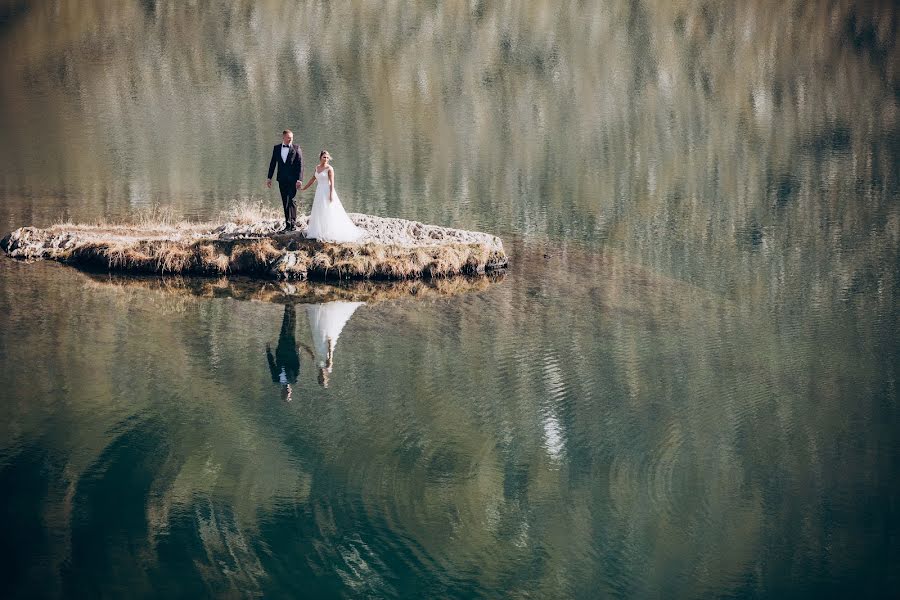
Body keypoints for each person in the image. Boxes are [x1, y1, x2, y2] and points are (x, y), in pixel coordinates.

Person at [299, 150, 364, 242]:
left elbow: (332, 183)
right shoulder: (317, 168)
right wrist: (304, 188)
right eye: (324, 157)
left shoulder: (330, 168)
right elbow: (313, 179)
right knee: (319, 210)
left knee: (328, 210)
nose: (325, 159)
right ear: (320, 157)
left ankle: (329, 231)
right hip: (319, 192)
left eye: (327, 157)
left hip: (327, 191)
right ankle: (319, 230)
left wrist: (331, 195)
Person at [300, 301, 365, 387]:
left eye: (321, 379)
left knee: (318, 328)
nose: (322, 377)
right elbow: (330, 355)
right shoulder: (328, 367)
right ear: (326, 377)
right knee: (324, 328)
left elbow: (312, 355)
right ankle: (324, 309)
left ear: (318, 377)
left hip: (318, 344)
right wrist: (330, 343)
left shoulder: (317, 367)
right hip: (324, 345)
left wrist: (303, 346)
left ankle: (321, 308)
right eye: (323, 379)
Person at [266, 129, 304, 231]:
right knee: (285, 201)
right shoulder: (277, 148)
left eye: (291, 137)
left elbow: (300, 165)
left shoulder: (296, 148)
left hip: (293, 179)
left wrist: (300, 179)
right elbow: (273, 163)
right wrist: (269, 178)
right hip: (281, 179)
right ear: (283, 137)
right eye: (288, 137)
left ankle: (293, 224)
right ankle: (287, 224)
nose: (290, 139)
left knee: (292, 200)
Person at [266, 304, 302, 401]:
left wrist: (268, 351)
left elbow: (271, 365)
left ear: (282, 392)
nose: (287, 391)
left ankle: (287, 305)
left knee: (285, 326)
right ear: (290, 391)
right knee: (292, 327)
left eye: (286, 393)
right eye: (289, 393)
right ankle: (293, 306)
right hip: (291, 350)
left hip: (281, 349)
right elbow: (297, 365)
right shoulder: (294, 380)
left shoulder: (276, 379)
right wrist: (298, 352)